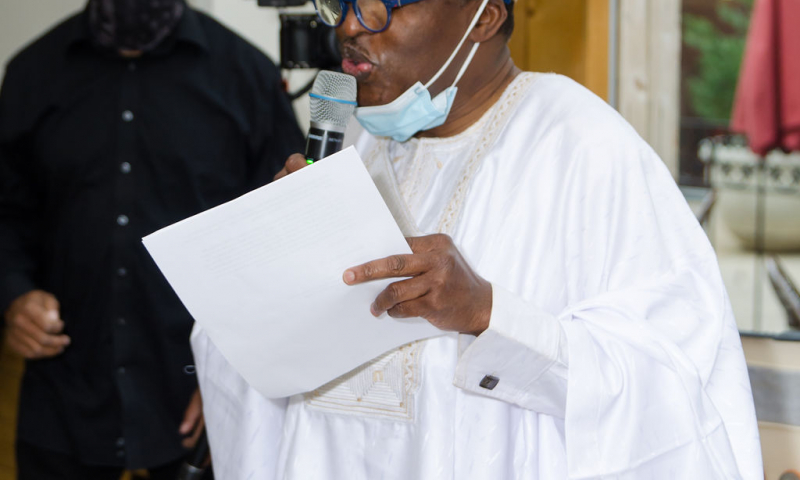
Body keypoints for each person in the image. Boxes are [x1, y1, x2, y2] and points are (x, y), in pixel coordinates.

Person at [191, 0, 764, 477]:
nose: (348, 27)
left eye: (379, 6)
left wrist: (488, 314)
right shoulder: (354, 148)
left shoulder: (585, 148)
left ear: (484, 17)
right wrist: (275, 262)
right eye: (339, 4)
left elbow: (670, 389)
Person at [0, 0, 305, 478]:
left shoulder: (245, 73)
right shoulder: (31, 71)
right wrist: (14, 292)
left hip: (194, 387)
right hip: (65, 390)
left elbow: (281, 233)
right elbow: (7, 208)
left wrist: (235, 372)